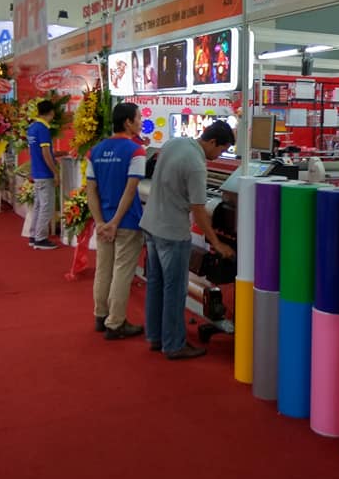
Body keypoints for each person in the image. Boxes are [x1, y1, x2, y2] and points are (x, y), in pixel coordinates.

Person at [140, 120, 236, 360]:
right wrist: (217, 244)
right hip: (172, 232)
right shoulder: (196, 164)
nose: (219, 155)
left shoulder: (174, 143)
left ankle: (156, 337)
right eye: (221, 150)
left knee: (156, 284)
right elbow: (199, 210)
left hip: (151, 224)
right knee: (175, 289)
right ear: (212, 142)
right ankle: (174, 344)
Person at [86, 102, 147, 340]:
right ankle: (116, 322)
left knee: (103, 269)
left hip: (103, 222)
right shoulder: (136, 151)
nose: (141, 122)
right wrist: (115, 222)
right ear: (128, 122)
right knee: (122, 272)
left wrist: (101, 222)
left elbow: (91, 190)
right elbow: (130, 191)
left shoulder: (95, 151)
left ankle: (100, 315)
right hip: (127, 222)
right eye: (138, 118)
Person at [26, 99, 59, 250]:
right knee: (46, 206)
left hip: (37, 172)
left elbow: (35, 152)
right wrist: (55, 172)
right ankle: (40, 238)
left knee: (38, 206)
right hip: (45, 173)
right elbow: (45, 153)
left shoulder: (32, 128)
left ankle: (33, 235)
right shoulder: (43, 129)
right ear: (51, 112)